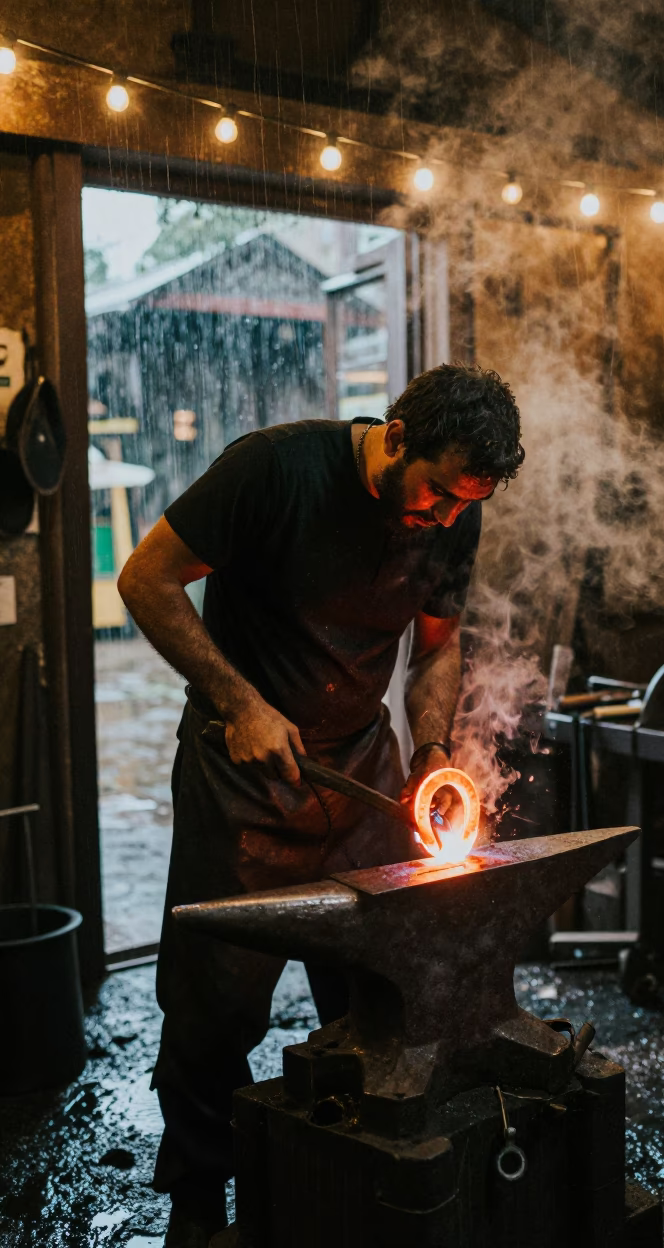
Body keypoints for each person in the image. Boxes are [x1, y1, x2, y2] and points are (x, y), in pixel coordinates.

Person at [117, 361, 524, 1248]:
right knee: (213, 1008)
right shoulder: (272, 471)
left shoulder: (457, 509)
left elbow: (438, 648)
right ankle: (196, 1205)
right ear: (398, 436)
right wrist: (240, 702)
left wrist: (434, 752)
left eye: (465, 505)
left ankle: (347, 1178)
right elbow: (144, 579)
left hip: (363, 769)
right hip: (243, 777)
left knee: (379, 988)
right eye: (439, 495)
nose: (447, 517)